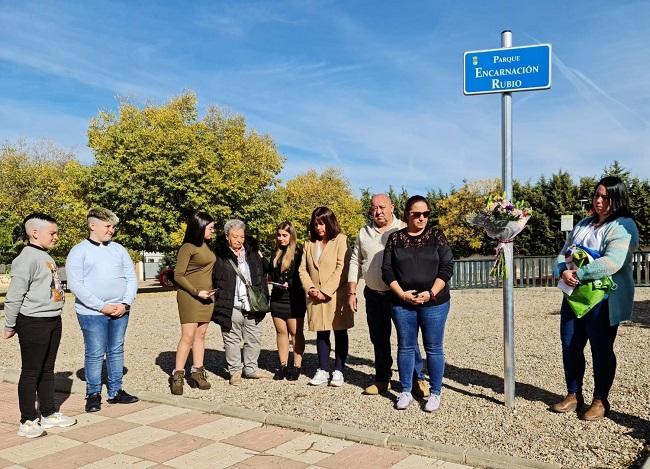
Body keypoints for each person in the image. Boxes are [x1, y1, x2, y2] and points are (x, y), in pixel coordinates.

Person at [552, 176, 639, 420]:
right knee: (570, 345)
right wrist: (562, 270)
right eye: (597, 195)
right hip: (574, 297)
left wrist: (579, 273)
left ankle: (600, 399)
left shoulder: (624, 226)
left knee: (601, 349)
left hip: (604, 300)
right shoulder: (583, 224)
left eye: (605, 197)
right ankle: (573, 393)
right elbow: (563, 253)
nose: (599, 201)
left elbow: (612, 262)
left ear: (616, 199)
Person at [348, 194, 430, 397]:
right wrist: (351, 291)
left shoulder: (404, 229)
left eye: (382, 207)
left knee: (408, 339)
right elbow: (354, 261)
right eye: (374, 208)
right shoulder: (364, 233)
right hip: (374, 295)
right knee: (379, 338)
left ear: (392, 207)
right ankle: (382, 378)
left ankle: (416, 379)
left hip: (400, 295)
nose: (378, 211)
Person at [3, 213, 76, 438]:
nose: (56, 237)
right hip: (34, 322)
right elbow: (15, 295)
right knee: (31, 371)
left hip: (53, 319)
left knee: (47, 369)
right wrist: (9, 324)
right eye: (52, 233)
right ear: (35, 233)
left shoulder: (45, 256)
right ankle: (27, 420)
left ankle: (48, 413)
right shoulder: (26, 259)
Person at [382, 195, 454, 412]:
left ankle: (435, 392)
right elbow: (387, 270)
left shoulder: (437, 236)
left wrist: (431, 292)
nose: (422, 218)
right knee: (405, 346)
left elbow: (447, 266)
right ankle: (405, 390)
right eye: (417, 214)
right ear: (407, 214)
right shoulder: (395, 239)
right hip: (402, 303)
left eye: (426, 214)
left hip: (435, 303)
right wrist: (402, 294)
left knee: (433, 348)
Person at [66, 208, 139, 412]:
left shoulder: (119, 249)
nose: (112, 230)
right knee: (95, 352)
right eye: (108, 226)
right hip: (92, 313)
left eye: (113, 227)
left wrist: (125, 303)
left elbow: (131, 277)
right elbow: (75, 285)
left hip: (120, 310)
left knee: (116, 349)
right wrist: (102, 306)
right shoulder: (79, 251)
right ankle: (93, 393)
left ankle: (116, 391)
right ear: (93, 225)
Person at [212, 219, 271, 385]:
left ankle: (251, 368)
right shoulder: (219, 254)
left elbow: (263, 272)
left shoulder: (252, 252)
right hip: (231, 303)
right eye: (235, 236)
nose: (239, 240)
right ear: (227, 237)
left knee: (254, 337)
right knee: (231, 339)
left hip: (252, 303)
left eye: (242, 236)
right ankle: (235, 371)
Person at [298, 206, 353, 387]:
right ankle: (323, 368)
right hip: (314, 295)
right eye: (316, 224)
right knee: (321, 332)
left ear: (330, 223)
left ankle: (338, 369)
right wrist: (311, 288)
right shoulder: (309, 244)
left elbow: (342, 268)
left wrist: (326, 291)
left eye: (322, 224)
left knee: (339, 331)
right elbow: (303, 269)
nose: (319, 228)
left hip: (335, 296)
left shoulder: (341, 240)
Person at [169, 212, 217, 395]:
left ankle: (198, 372)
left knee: (201, 335)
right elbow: (178, 275)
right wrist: (197, 292)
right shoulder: (187, 247)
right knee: (188, 336)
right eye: (210, 227)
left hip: (207, 297)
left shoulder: (207, 246)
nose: (213, 230)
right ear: (200, 227)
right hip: (190, 297)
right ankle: (178, 374)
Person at [269, 222, 307, 381]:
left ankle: (297, 365)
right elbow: (271, 273)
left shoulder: (299, 253)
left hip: (294, 299)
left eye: (284, 235)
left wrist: (289, 284)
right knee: (281, 332)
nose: (281, 238)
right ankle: (283, 365)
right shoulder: (275, 253)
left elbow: (302, 276)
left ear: (291, 236)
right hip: (277, 298)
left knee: (295, 333)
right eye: (278, 235)